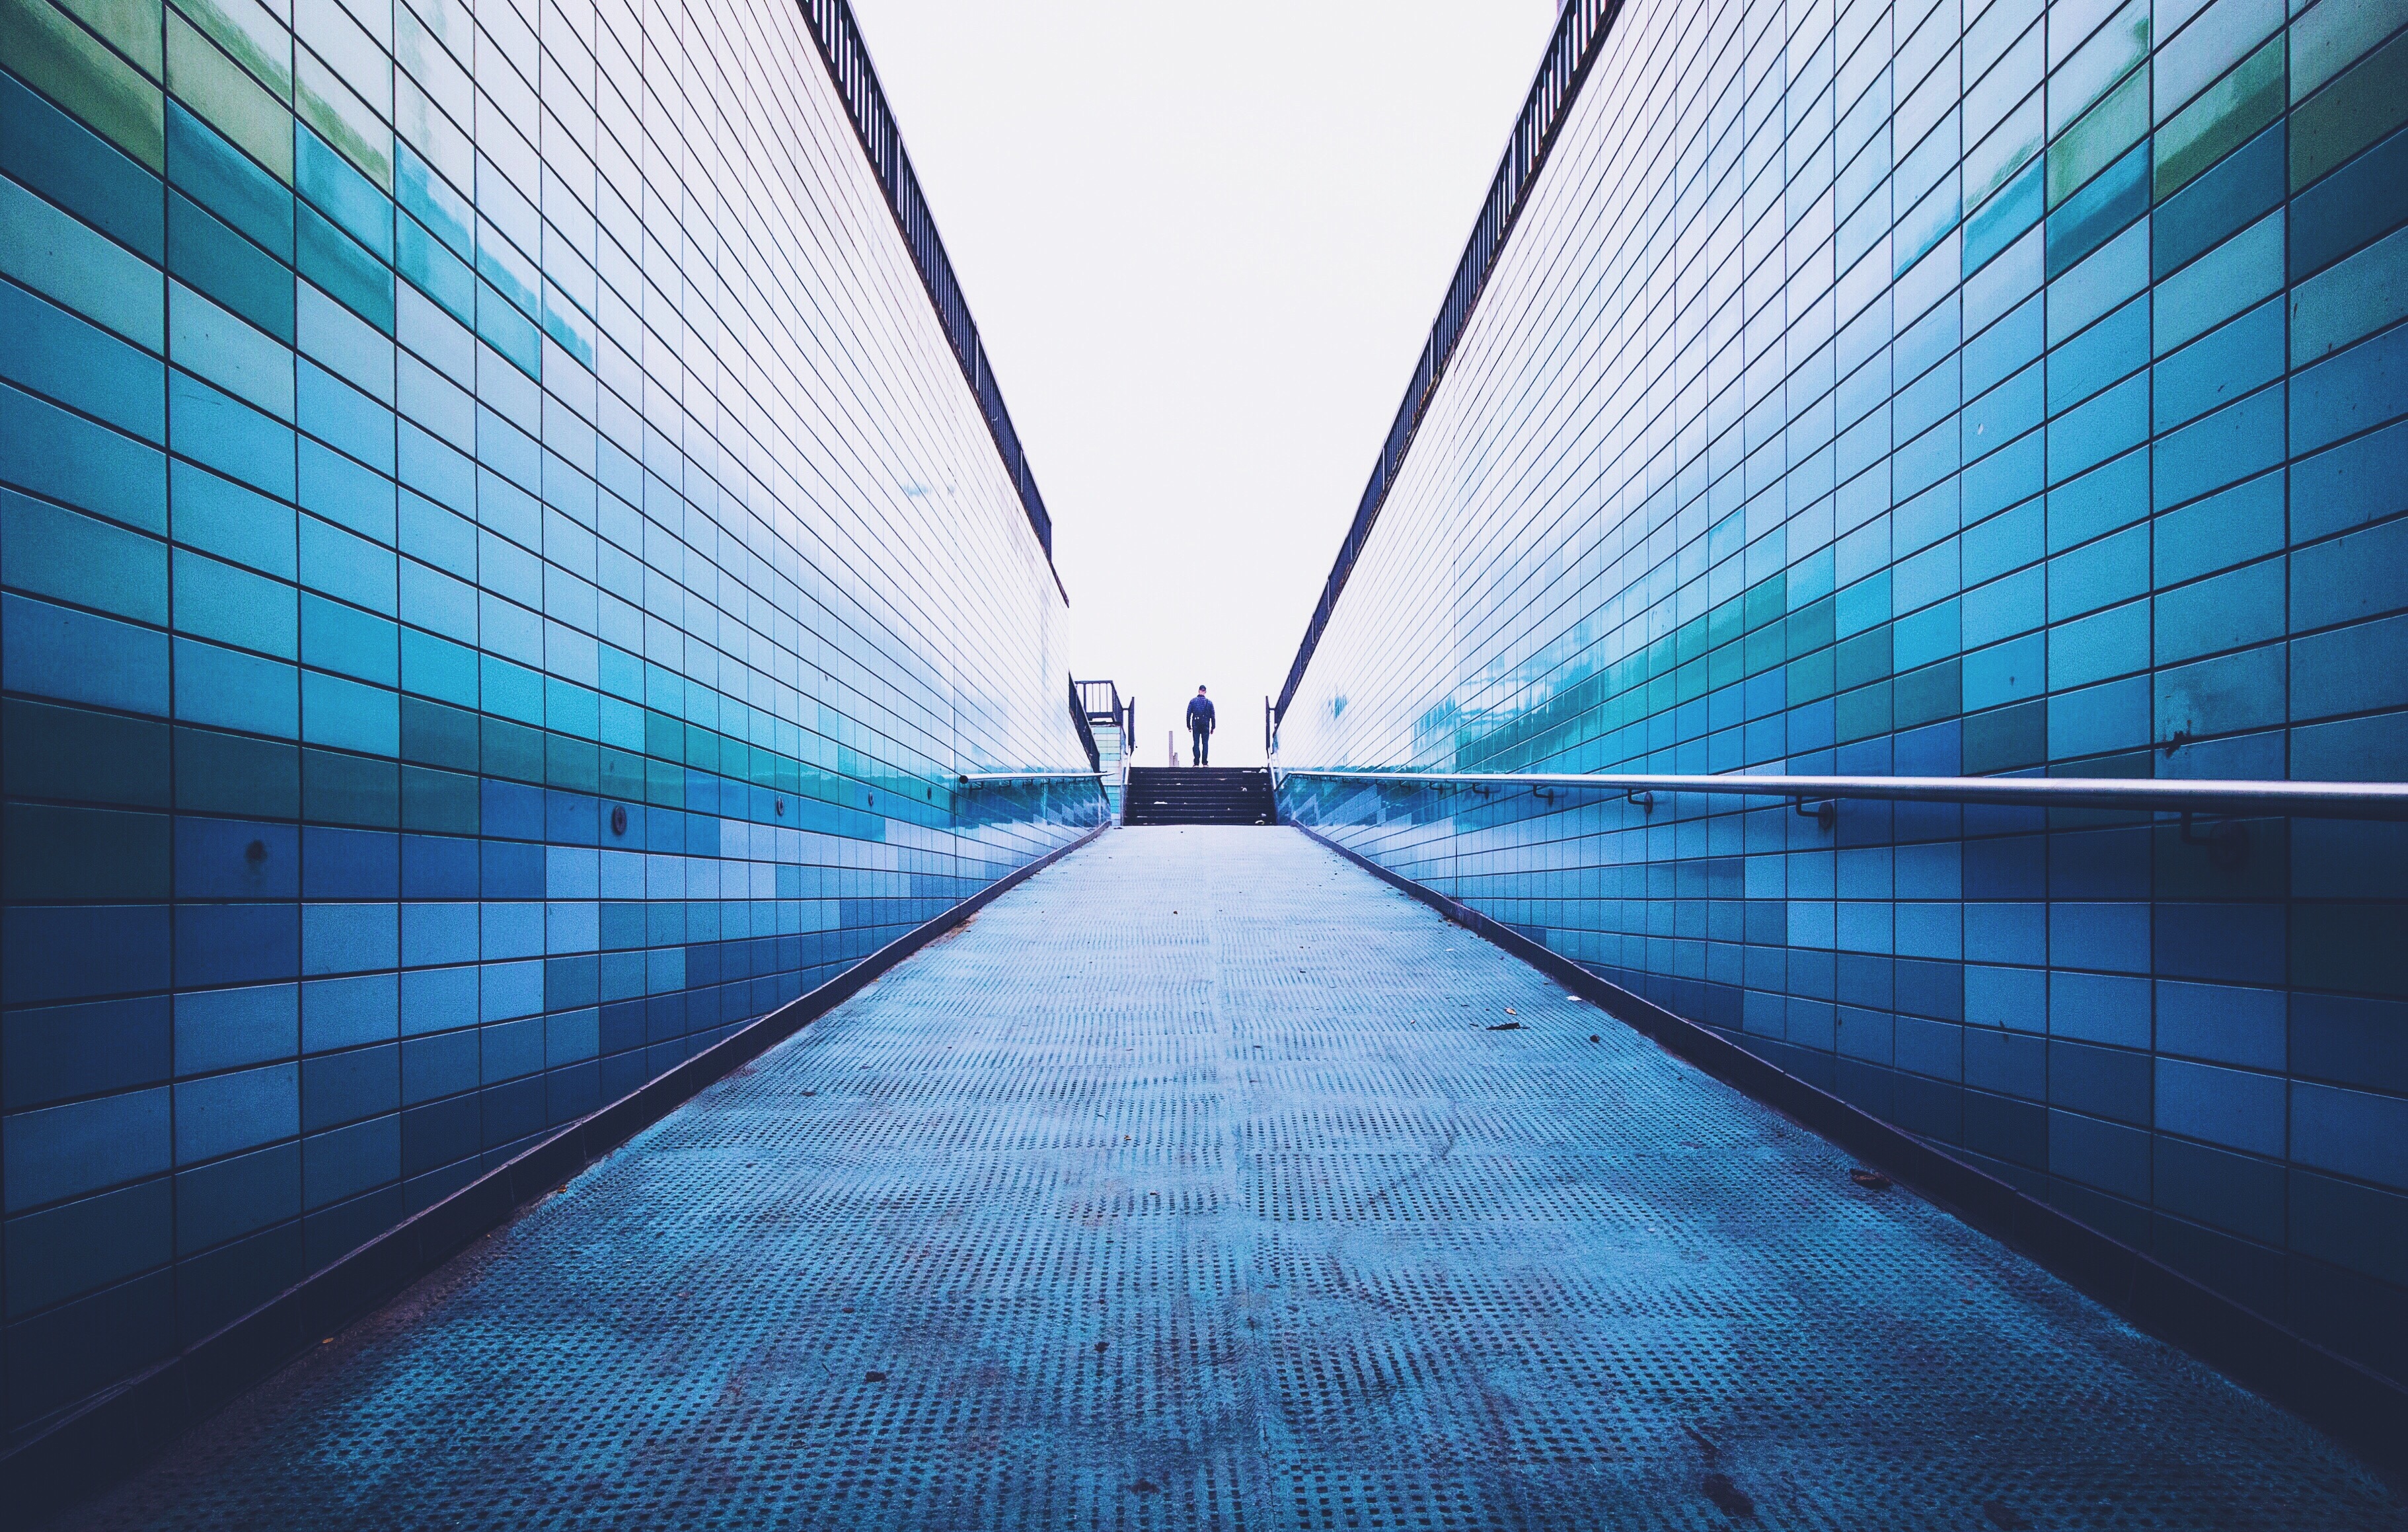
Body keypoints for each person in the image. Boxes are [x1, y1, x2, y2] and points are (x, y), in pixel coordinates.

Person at [1185, 686, 1216, 766]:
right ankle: (1205, 763)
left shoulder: (1193, 701)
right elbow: (1213, 716)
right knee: (1205, 743)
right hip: (1206, 725)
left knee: (1196, 743)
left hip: (1196, 724)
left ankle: (1196, 763)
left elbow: (1188, 715)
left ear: (1199, 691)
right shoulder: (1209, 703)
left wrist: (1189, 726)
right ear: (1205, 692)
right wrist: (1213, 727)